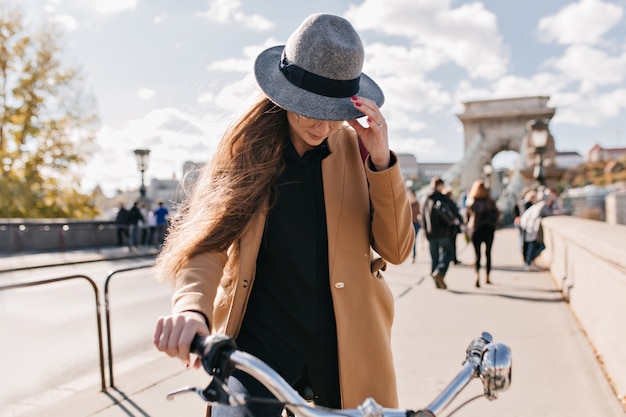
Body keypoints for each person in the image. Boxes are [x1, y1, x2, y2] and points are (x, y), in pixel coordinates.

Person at [152, 13, 414, 417]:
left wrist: (381, 162)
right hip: (263, 344)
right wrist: (190, 309)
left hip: (347, 345)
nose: (321, 124)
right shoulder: (246, 151)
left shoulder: (361, 151)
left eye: (333, 110)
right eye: (310, 107)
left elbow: (396, 250)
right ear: (286, 91)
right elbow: (209, 244)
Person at [421, 176, 458, 289]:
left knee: (434, 257)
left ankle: (436, 283)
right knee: (448, 252)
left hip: (430, 232)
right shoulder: (443, 197)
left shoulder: (424, 199)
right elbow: (454, 212)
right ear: (440, 185)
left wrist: (425, 231)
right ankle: (440, 272)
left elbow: (422, 217)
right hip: (443, 231)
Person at [465, 179, 499, 287]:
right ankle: (487, 277)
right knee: (488, 254)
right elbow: (497, 214)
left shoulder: (471, 201)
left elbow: (467, 218)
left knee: (477, 255)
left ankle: (477, 276)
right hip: (488, 229)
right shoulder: (490, 201)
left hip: (476, 230)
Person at [519, 188, 560, 270]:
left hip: (530, 229)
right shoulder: (543, 205)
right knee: (540, 246)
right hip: (533, 230)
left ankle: (529, 262)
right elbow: (549, 214)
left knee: (532, 246)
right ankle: (529, 262)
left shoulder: (537, 205)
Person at [408, 189, 421, 263]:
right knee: (410, 240)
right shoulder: (407, 203)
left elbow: (420, 213)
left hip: (416, 223)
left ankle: (413, 255)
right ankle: (411, 254)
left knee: (413, 240)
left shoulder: (417, 204)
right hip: (409, 224)